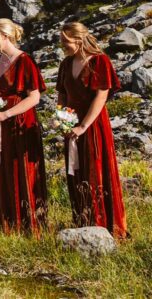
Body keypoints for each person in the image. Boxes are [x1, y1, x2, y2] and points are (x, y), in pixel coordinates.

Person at [56, 22, 127, 237]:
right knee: (75, 170)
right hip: (72, 124)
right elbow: (61, 95)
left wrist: (83, 125)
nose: (63, 46)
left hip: (93, 124)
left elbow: (101, 96)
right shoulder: (66, 64)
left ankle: (105, 224)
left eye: (65, 42)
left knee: (95, 167)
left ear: (78, 40)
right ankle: (82, 219)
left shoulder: (100, 61)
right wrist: (62, 120)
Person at [0, 18, 47, 234]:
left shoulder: (25, 61)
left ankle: (29, 223)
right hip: (0, 124)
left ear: (6, 35)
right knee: (3, 167)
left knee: (22, 168)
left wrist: (7, 113)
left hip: (20, 122)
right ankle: (7, 221)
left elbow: (34, 97)